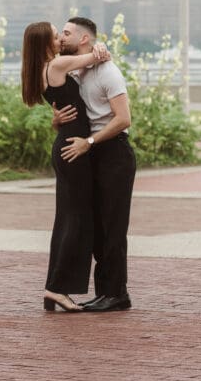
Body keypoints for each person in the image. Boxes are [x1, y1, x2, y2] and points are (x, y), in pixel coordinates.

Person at [20, 20, 110, 313]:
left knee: (67, 220)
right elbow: (96, 56)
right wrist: (100, 46)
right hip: (73, 148)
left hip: (67, 144)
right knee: (76, 220)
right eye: (55, 34)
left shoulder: (45, 69)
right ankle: (57, 288)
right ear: (45, 41)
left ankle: (54, 288)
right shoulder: (56, 66)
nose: (60, 37)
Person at [53, 16, 135, 313]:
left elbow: (123, 119)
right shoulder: (79, 71)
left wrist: (89, 142)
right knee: (98, 227)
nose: (61, 38)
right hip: (93, 153)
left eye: (66, 33)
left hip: (114, 153)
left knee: (113, 227)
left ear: (83, 39)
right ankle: (105, 292)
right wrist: (57, 121)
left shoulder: (107, 71)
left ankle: (117, 294)